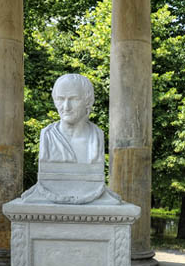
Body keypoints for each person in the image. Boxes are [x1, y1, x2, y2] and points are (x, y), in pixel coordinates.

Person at [20, 73, 121, 205]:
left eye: (74, 99)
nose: (66, 107)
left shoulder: (96, 137)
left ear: (88, 101)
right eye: (60, 99)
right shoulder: (48, 136)